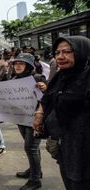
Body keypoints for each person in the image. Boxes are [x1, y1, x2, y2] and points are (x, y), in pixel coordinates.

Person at [33, 36, 90, 190]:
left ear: (81, 52)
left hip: (83, 148)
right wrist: (39, 114)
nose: (60, 57)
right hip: (63, 146)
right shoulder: (61, 75)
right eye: (57, 52)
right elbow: (48, 97)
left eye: (67, 52)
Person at [11, 53, 47, 190]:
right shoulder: (14, 79)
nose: (18, 65)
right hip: (21, 119)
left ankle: (35, 180)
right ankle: (35, 170)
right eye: (16, 63)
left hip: (35, 120)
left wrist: (45, 87)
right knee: (33, 148)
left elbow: (50, 96)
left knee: (30, 148)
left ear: (29, 66)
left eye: (21, 63)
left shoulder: (37, 78)